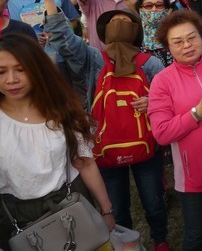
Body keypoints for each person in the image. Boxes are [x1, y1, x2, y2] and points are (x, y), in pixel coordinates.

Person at [33, 0, 171, 251]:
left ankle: (159, 239)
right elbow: (63, 39)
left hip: (144, 144)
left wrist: (152, 102)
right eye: (113, 24)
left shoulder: (151, 63)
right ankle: (126, 241)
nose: (119, 28)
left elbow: (168, 99)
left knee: (153, 199)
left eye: (125, 24)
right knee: (117, 203)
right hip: (104, 145)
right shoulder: (94, 58)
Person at [0, 34, 116, 250]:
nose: (11, 79)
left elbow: (85, 162)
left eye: (20, 69)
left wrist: (106, 210)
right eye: (1, 72)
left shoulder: (62, 111)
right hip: (15, 215)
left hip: (70, 201)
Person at [148, 10, 202, 251]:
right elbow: (161, 133)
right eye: (177, 42)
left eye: (192, 38)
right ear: (168, 47)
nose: (187, 46)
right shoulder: (162, 81)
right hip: (193, 173)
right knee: (194, 234)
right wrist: (197, 112)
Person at [135, 0, 173, 67]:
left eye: (159, 5)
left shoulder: (175, 34)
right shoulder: (133, 36)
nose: (154, 9)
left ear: (166, 9)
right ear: (140, 9)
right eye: (148, 6)